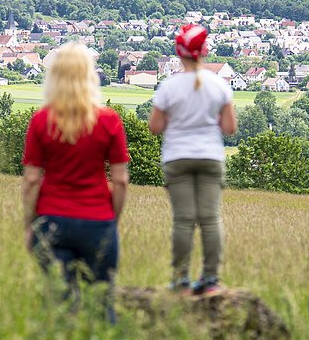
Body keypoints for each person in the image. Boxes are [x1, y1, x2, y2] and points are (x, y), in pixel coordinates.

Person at [22, 42, 130, 322]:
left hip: (51, 222)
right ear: (89, 75)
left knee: (60, 305)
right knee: (102, 304)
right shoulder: (109, 121)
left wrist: (29, 225)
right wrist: (112, 219)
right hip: (98, 222)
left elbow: (32, 180)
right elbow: (120, 181)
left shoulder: (41, 121)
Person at [149, 24, 237, 295]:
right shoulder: (219, 85)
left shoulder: (169, 87)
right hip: (210, 156)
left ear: (179, 53)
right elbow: (230, 127)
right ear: (205, 52)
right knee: (210, 220)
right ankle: (210, 279)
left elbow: (155, 126)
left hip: (177, 156)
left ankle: (180, 280)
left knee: (184, 220)